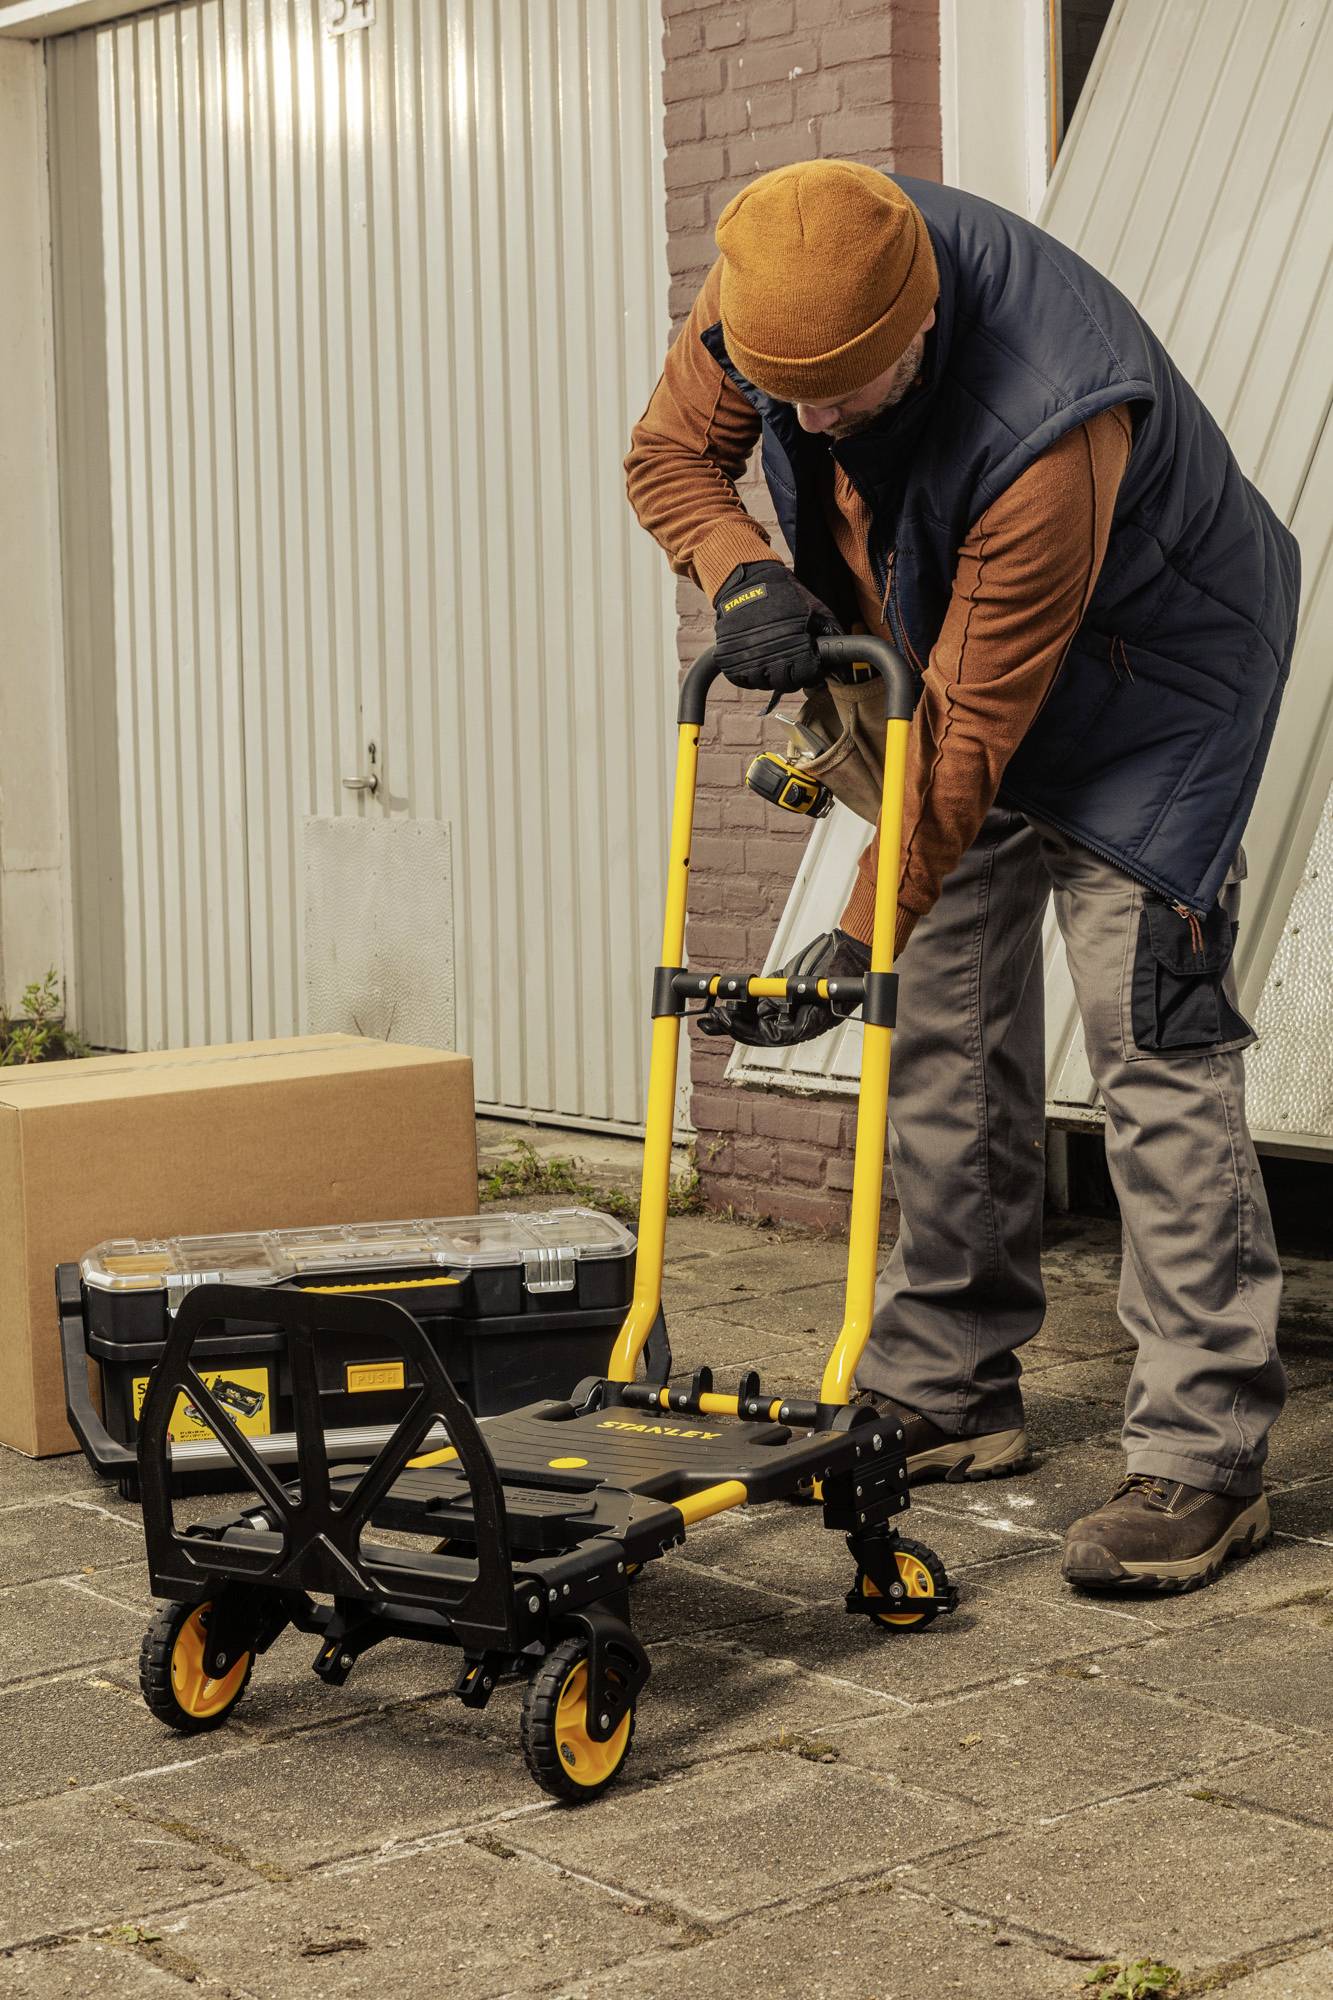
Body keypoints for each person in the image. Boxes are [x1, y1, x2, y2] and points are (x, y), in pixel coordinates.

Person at [624, 160, 1300, 1595]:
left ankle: (1201, 1453)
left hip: (1149, 696)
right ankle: (944, 1378)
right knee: (929, 1016)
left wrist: (849, 929)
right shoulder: (772, 280)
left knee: (1150, 1051)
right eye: (781, 396)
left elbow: (970, 748)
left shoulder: (1052, 419)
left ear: (921, 331)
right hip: (936, 650)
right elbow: (667, 461)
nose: (804, 426)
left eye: (842, 403)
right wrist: (741, 567)